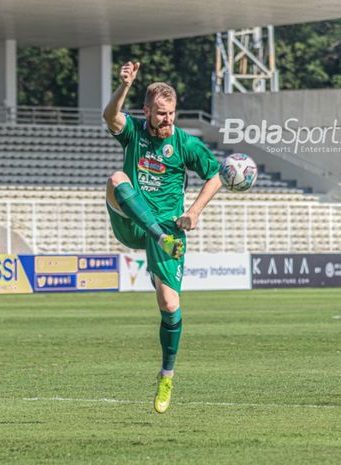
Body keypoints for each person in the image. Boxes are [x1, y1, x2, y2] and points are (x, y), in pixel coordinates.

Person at [103, 61, 222, 413]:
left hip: (171, 229)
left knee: (170, 306)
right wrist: (123, 86)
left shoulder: (185, 143)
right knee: (115, 180)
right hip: (135, 222)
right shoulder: (134, 131)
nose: (166, 119)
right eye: (160, 113)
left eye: (170, 113)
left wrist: (195, 212)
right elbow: (111, 116)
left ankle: (166, 374)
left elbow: (215, 176)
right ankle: (157, 236)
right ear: (146, 111)